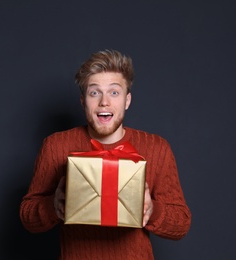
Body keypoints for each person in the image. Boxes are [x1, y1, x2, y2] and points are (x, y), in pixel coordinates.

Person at [19, 49, 191, 260]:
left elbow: (181, 224)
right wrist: (53, 206)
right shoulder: (56, 145)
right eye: (94, 92)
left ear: (127, 100)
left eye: (114, 92)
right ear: (83, 102)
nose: (104, 102)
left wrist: (152, 210)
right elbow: (27, 217)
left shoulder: (157, 148)